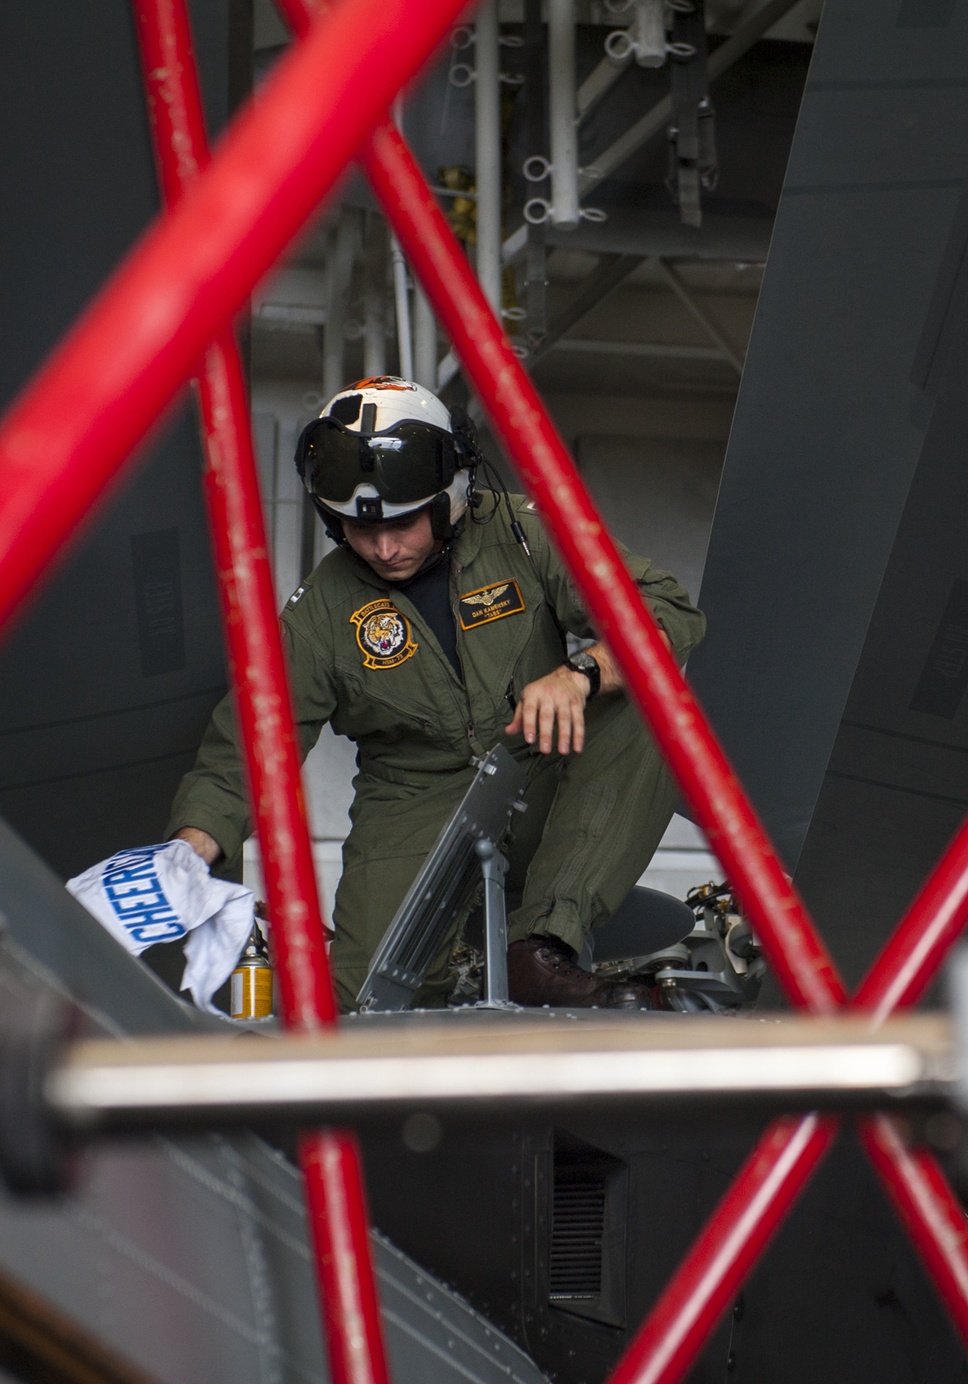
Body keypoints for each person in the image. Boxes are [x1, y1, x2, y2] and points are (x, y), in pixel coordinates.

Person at [168, 377, 705, 1011]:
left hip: (544, 769)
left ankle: (543, 945)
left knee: (654, 694)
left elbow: (663, 609)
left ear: (449, 496)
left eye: (403, 524)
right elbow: (250, 747)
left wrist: (580, 673)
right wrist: (185, 853)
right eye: (359, 529)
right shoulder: (318, 616)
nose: (384, 547)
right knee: (362, 1006)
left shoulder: (523, 534)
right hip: (415, 800)